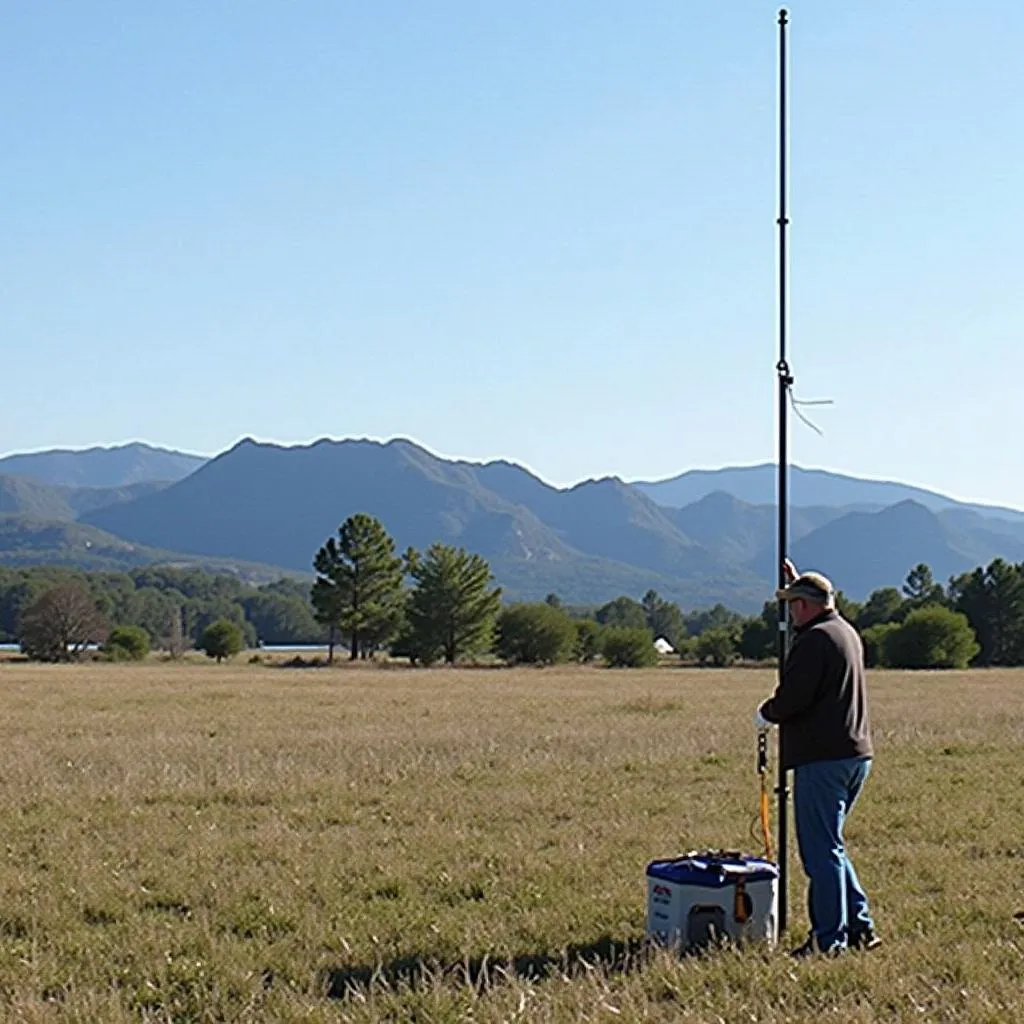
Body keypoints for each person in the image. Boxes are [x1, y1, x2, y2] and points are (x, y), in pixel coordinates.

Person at [755, 563, 880, 957]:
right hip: (854, 756)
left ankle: (828, 941)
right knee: (833, 846)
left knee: (820, 853)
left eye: (793, 605)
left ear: (807, 607)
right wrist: (793, 575)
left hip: (822, 759)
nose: (790, 613)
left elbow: (794, 697)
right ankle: (860, 928)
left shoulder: (813, 641)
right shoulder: (845, 632)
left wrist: (767, 713)